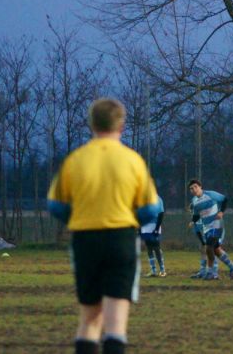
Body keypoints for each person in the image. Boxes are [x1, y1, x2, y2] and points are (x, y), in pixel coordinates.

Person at [47, 98, 160, 354]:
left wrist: (77, 218)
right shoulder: (132, 160)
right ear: (121, 124)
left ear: (92, 124)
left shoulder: (76, 160)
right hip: (121, 239)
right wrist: (131, 221)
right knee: (115, 324)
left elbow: (55, 205)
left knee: (89, 318)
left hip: (85, 239)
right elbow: (151, 209)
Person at [188, 179, 233, 280]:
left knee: (208, 247)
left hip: (216, 225)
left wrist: (221, 212)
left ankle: (211, 273)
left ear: (200, 187)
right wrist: (193, 221)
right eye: (191, 188)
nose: (194, 189)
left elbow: (224, 199)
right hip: (207, 228)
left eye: (195, 187)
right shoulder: (194, 201)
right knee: (216, 250)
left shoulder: (210, 194)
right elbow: (196, 215)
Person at [140, 196, 166, 277]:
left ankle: (162, 270)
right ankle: (153, 270)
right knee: (149, 247)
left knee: (156, 247)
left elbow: (161, 214)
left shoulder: (158, 199)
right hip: (145, 226)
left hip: (154, 225)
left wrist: (157, 228)